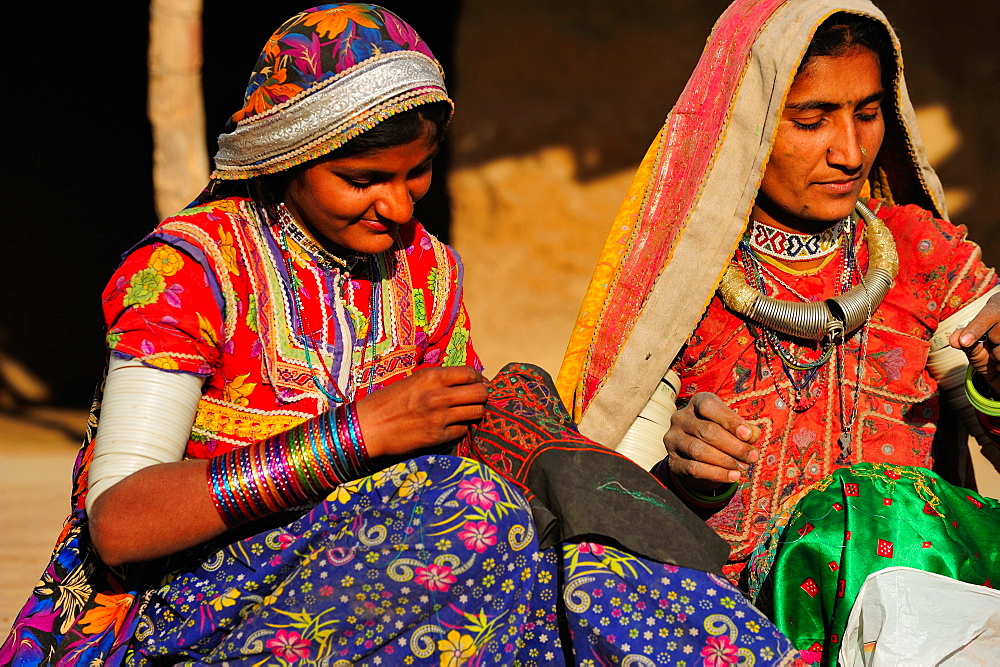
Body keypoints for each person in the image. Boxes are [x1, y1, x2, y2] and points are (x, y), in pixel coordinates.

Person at [2, 5, 802, 665]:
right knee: (476, 511)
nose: (396, 205)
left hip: (392, 577)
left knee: (562, 537)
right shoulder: (192, 271)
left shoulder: (424, 272)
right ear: (288, 156)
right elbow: (122, 521)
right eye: (362, 180)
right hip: (189, 607)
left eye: (415, 173)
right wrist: (358, 435)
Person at [558, 0, 999, 661]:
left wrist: (995, 380)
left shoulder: (923, 258)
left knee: (873, 505)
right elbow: (606, 509)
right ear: (752, 122)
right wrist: (683, 473)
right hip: (736, 628)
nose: (849, 151)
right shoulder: (684, 288)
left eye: (868, 113)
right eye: (812, 119)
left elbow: (987, 408)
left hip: (909, 623)